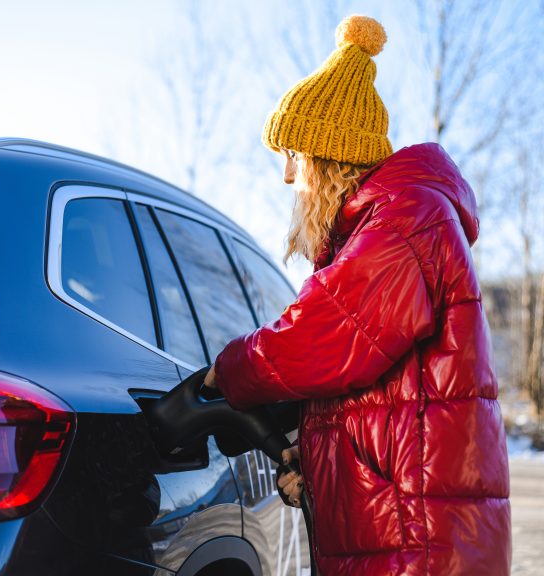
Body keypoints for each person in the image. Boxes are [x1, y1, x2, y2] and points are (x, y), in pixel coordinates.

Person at [204, 14, 511, 576]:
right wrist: (313, 459)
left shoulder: (403, 222)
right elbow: (374, 388)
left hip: (415, 539)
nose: (286, 178)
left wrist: (223, 373)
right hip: (399, 525)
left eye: (291, 158)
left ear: (325, 157)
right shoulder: (387, 223)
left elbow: (321, 337)